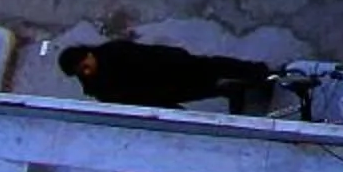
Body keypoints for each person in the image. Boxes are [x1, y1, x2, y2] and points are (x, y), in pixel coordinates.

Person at [57, 38, 277, 112]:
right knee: (203, 87)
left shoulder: (114, 52)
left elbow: (149, 56)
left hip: (171, 68)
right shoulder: (97, 86)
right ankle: (234, 89)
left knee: (214, 68)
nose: (86, 72)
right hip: (162, 89)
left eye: (85, 66)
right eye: (81, 72)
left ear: (88, 54)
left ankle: (259, 73)